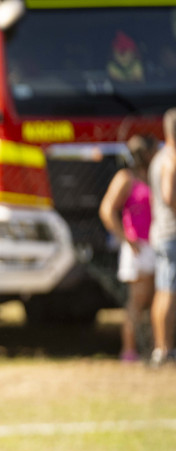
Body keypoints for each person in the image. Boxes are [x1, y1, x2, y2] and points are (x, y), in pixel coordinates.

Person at [99, 134, 157, 362]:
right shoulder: (126, 178)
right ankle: (129, 351)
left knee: (154, 298)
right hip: (137, 248)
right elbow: (107, 209)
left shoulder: (151, 176)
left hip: (154, 245)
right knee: (137, 301)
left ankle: (153, 348)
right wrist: (125, 238)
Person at [149, 108, 176, 367]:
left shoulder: (158, 157)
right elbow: (169, 196)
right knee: (170, 291)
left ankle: (161, 347)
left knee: (163, 290)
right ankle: (166, 349)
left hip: (161, 231)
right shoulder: (172, 158)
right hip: (172, 233)